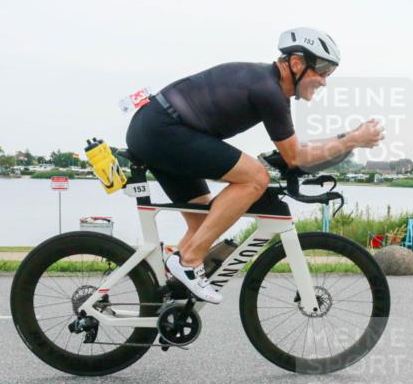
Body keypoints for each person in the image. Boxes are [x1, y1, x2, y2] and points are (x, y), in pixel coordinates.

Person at [125, 27, 384, 303]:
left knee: (204, 220)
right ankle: (188, 262)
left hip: (158, 129)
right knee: (255, 178)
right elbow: (295, 157)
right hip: (164, 130)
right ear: (296, 63)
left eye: (329, 74)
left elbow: (295, 150)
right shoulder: (268, 90)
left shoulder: (267, 85)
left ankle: (168, 295)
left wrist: (348, 139)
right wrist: (352, 139)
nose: (323, 81)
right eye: (321, 71)